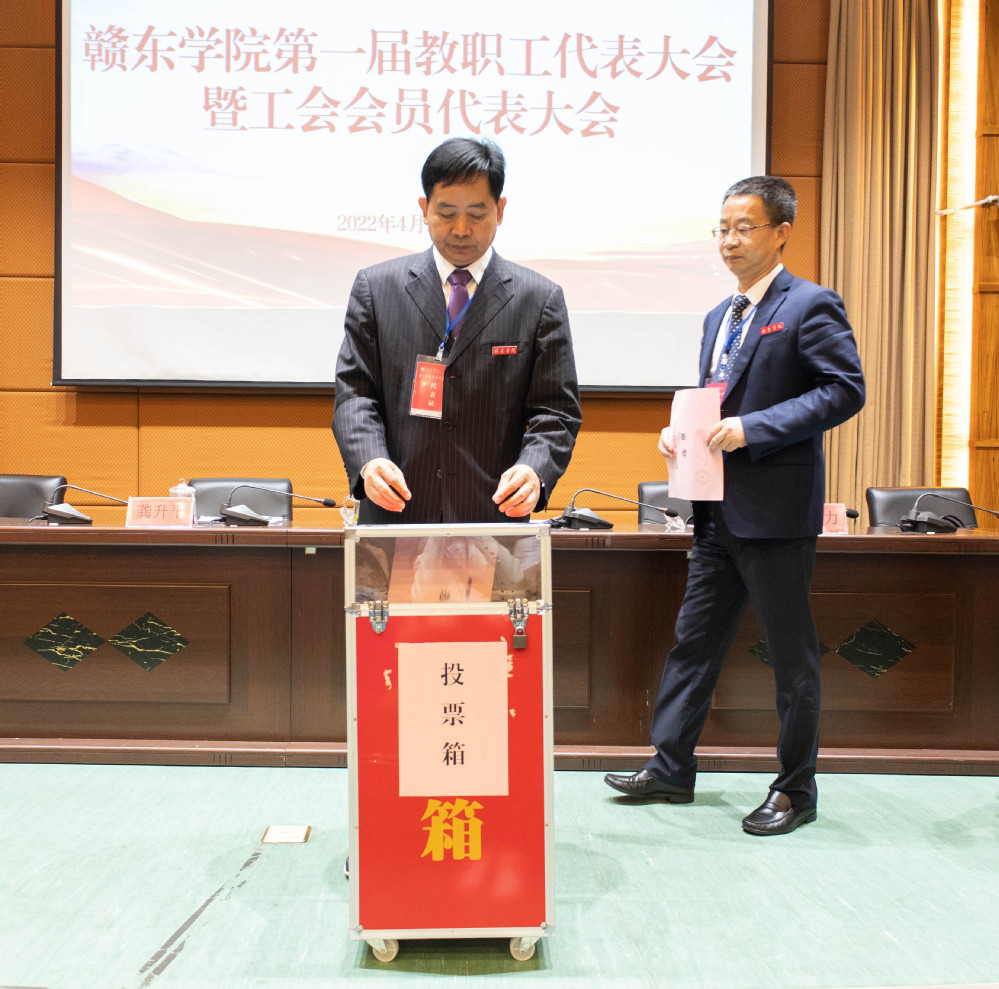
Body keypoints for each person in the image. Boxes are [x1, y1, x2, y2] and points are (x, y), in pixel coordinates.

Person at [604, 176, 865, 835]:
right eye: (721, 228)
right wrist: (680, 433)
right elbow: (712, 400)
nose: (729, 240)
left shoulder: (809, 304)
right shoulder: (717, 316)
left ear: (781, 232)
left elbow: (843, 390)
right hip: (715, 511)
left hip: (775, 514)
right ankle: (671, 767)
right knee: (692, 643)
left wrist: (754, 428)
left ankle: (795, 790)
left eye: (744, 227)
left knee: (790, 657)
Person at [332, 137, 581, 524]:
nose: (461, 229)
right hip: (397, 516)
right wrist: (369, 460)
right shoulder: (377, 289)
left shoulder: (538, 298)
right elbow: (355, 395)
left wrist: (534, 469)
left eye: (477, 214)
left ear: (500, 210)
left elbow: (556, 411)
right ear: (424, 209)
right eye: (446, 213)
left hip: (493, 517)